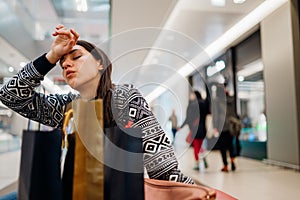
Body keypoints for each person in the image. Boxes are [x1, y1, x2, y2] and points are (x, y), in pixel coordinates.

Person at [0, 24, 194, 191]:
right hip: (75, 190)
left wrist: (195, 192)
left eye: (76, 57)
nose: (66, 64)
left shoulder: (124, 97)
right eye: (62, 63)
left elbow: (162, 166)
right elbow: (10, 95)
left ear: (100, 63)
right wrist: (51, 56)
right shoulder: (68, 107)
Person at [179, 90, 209, 170]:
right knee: (200, 145)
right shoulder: (204, 104)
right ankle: (203, 157)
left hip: (195, 129)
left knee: (196, 146)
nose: (190, 96)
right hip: (203, 129)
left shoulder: (192, 105)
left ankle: (197, 164)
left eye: (191, 95)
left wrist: (181, 127)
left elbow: (188, 118)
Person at [213, 85, 238, 172]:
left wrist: (215, 126)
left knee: (222, 146)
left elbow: (216, 115)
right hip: (231, 125)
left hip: (221, 126)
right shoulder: (231, 99)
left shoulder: (217, 101)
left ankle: (226, 165)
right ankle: (232, 161)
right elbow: (234, 112)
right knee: (230, 145)